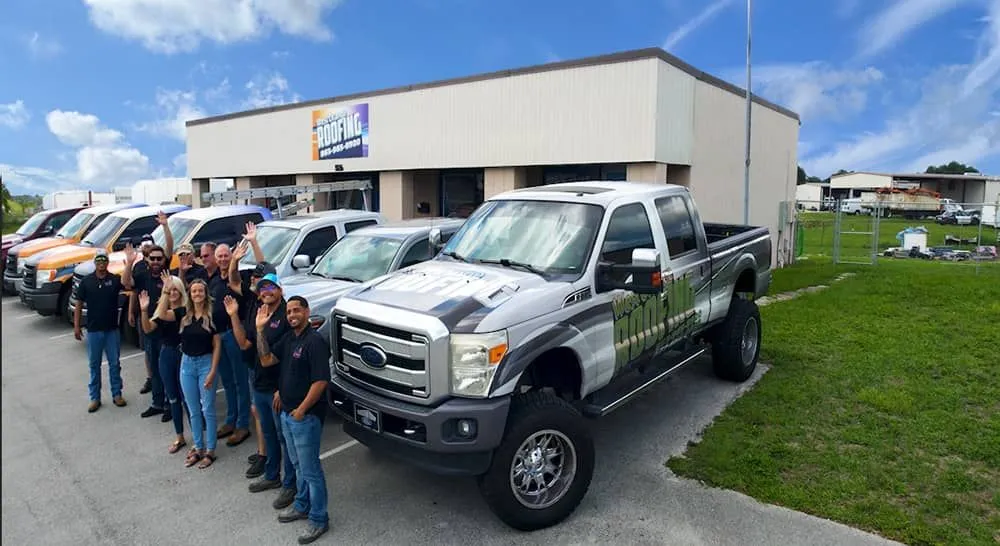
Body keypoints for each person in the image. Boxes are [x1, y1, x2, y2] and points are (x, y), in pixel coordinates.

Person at [257, 295, 331, 544]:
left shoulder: (315, 342)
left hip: (305, 417)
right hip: (287, 414)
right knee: (298, 465)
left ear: (307, 312)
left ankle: (319, 519)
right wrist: (259, 330)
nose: (292, 315)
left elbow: (321, 381)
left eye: (297, 310)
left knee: (311, 470)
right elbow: (267, 360)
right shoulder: (289, 338)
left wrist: (301, 410)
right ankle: (301, 505)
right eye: (289, 312)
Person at [226, 269, 297, 510]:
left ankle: (290, 483)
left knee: (284, 438)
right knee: (267, 433)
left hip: (276, 388)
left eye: (271, 288)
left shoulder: (286, 316)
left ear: (280, 291)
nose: (266, 291)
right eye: (263, 288)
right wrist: (234, 316)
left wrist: (281, 389)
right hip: (259, 383)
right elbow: (244, 344)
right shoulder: (259, 311)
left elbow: (287, 358)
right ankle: (271, 475)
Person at [139, 273, 189, 454]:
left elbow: (165, 315)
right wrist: (144, 310)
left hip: (183, 354)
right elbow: (148, 328)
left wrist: (165, 292)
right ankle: (179, 436)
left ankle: (201, 438)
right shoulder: (162, 310)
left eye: (176, 288)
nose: (173, 292)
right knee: (173, 397)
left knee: (187, 398)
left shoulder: (184, 309)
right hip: (166, 354)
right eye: (170, 289)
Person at [73, 250, 127, 413]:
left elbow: (128, 285)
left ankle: (117, 394)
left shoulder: (115, 279)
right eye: (99, 261)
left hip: (112, 330)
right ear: (95, 263)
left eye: (104, 260)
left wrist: (129, 265)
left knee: (114, 364)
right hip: (94, 330)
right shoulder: (86, 282)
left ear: (108, 262)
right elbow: (79, 304)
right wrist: (76, 326)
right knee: (94, 365)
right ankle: (95, 398)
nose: (101, 263)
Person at [176, 278, 222, 469]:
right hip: (186, 364)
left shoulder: (213, 316)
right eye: (193, 291)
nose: (197, 294)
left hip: (205, 363)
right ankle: (198, 446)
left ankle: (210, 450)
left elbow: (217, 346)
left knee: (208, 409)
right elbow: (160, 314)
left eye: (200, 291)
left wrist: (212, 371)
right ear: (189, 294)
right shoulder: (184, 315)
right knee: (193, 410)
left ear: (205, 294)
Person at [123, 243, 170, 422]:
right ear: (148, 260)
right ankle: (157, 403)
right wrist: (129, 263)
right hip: (148, 328)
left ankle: (169, 404)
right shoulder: (142, 275)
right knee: (154, 368)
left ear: (163, 260)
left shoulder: (168, 277)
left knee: (166, 369)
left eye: (159, 258)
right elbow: (127, 283)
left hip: (166, 329)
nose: (156, 261)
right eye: (153, 259)